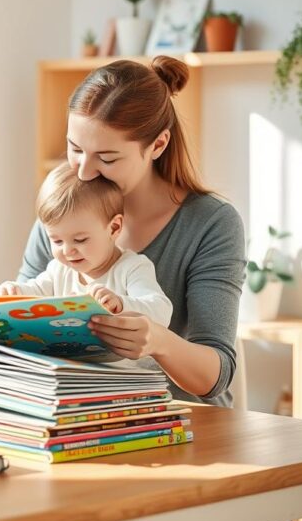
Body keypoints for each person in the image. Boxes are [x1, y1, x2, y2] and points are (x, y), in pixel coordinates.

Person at [17, 55, 246, 407]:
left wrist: (158, 341)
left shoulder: (210, 223)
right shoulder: (65, 216)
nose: (84, 172)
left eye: (107, 158)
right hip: (78, 413)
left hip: (180, 420)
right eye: (75, 149)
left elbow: (214, 376)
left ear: (158, 145)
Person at [0, 163, 173, 329]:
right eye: (57, 241)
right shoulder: (58, 270)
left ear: (114, 228)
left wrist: (121, 304)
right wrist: (13, 292)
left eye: (80, 240)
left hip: (120, 356)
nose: (67, 251)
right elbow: (34, 292)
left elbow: (161, 312)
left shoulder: (132, 268)